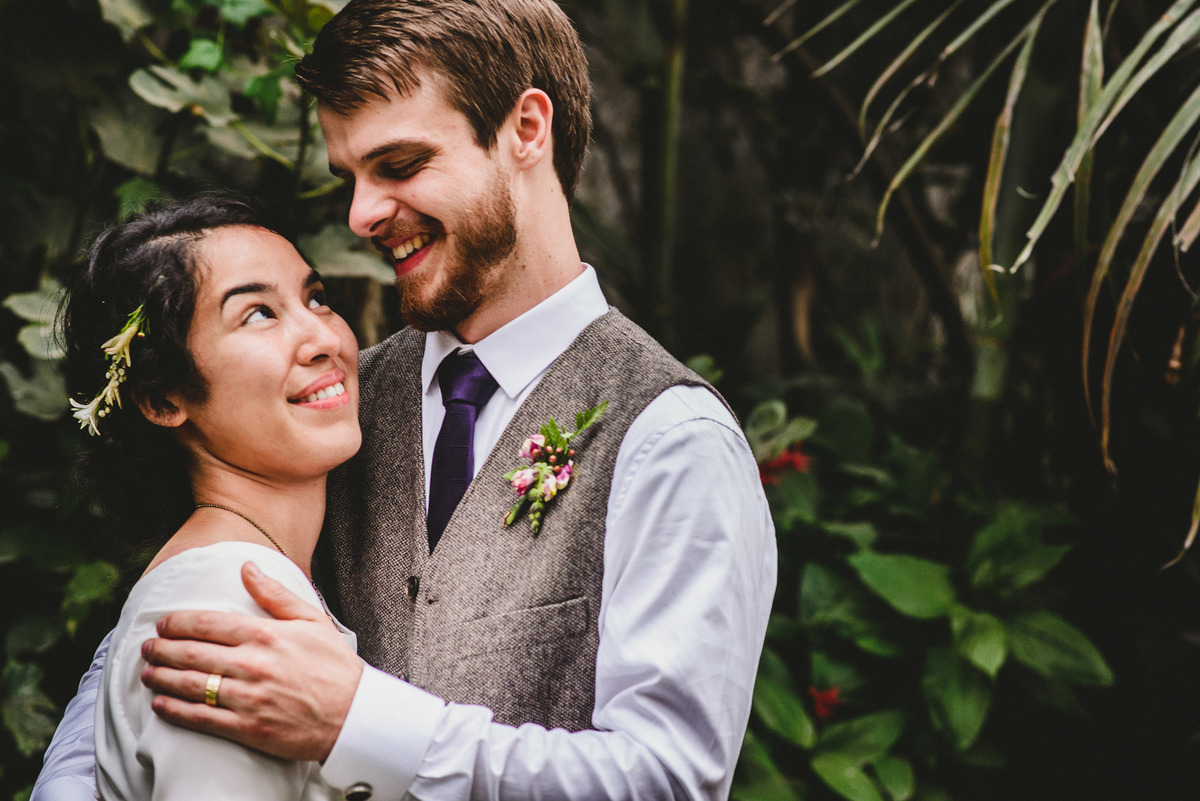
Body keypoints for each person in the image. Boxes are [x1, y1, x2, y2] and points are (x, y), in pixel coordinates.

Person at [34, 1, 777, 799]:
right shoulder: (324, 407)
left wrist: (359, 720)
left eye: (399, 165)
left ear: (527, 128)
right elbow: (167, 646)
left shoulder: (671, 439)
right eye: (349, 177)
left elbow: (667, 781)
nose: (360, 215)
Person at [54, 195, 363, 799]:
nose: (321, 337)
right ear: (164, 399)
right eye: (257, 315)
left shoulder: (249, 572)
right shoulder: (222, 604)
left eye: (315, 298)